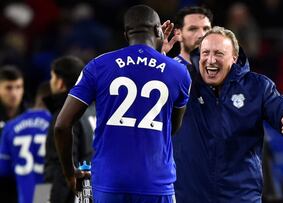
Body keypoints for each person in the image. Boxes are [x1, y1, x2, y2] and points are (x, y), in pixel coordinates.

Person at [54, 5, 191, 203]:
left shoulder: (98, 66)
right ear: (158, 31)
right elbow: (171, 127)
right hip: (156, 183)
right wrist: (161, 58)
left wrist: (69, 172)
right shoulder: (178, 72)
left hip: (109, 183)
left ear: (126, 34)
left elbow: (61, 125)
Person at [173, 26, 283, 203]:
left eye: (219, 53)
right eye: (205, 52)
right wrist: (158, 57)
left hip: (240, 198)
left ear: (234, 58)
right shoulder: (183, 81)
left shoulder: (257, 87)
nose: (210, 60)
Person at [43, 56, 95, 203]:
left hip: (71, 192)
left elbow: (61, 165)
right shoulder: (93, 110)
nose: (50, 82)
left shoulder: (64, 116)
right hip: (93, 190)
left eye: (52, 77)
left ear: (60, 83)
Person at [0, 81, 52, 203]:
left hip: (23, 194)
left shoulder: (11, 126)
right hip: (46, 193)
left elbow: (3, 170)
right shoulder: (57, 125)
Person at [0, 65, 26, 203]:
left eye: (18, 87)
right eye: (9, 88)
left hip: (27, 188)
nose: (14, 93)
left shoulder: (33, 117)